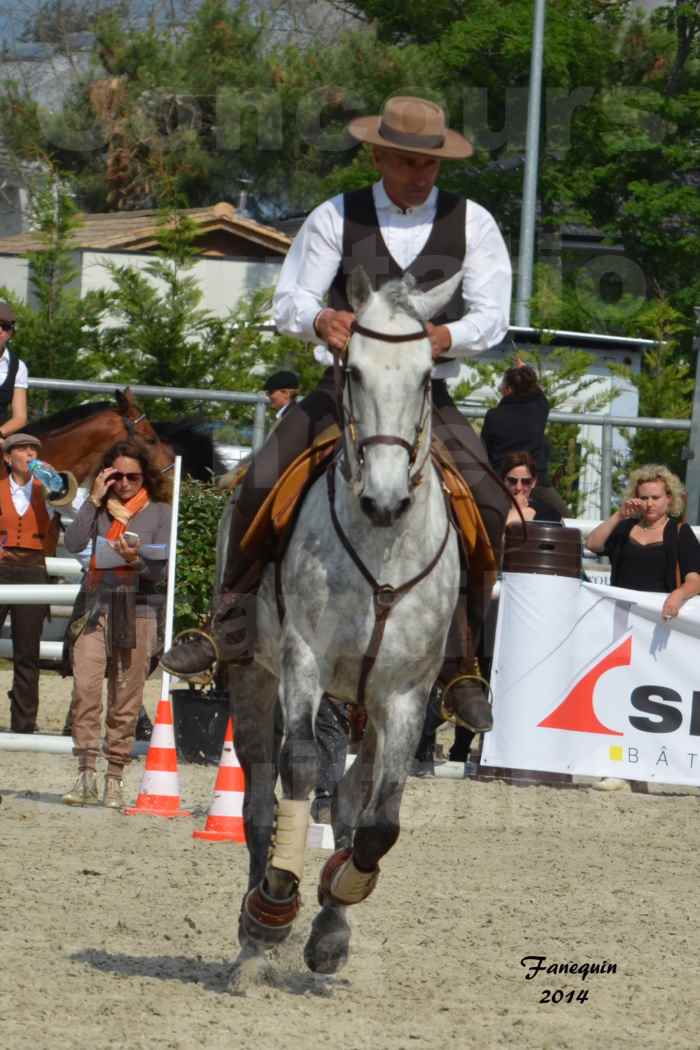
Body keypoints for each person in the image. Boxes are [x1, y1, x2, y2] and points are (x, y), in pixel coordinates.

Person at [162, 94, 512, 735]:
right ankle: (229, 621)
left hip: (423, 394)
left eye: (429, 164)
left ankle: (463, 660)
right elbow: (288, 300)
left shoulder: (474, 223)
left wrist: (445, 339)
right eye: (407, 162)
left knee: (489, 498)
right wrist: (320, 318)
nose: (420, 174)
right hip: (342, 389)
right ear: (378, 155)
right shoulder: (335, 215)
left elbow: (493, 316)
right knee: (263, 477)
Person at [62, 440, 171, 808]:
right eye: (117, 475)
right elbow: (74, 541)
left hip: (137, 606)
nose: (124, 482)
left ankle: (115, 777)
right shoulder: (98, 507)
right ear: (107, 474)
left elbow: (160, 571)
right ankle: (85, 773)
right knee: (85, 689)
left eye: (132, 476)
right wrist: (92, 500)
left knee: (126, 695)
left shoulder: (159, 512)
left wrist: (135, 560)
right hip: (95, 604)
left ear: (145, 477)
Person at [586, 464, 700, 792]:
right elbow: (593, 544)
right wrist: (618, 515)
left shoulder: (680, 533)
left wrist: (678, 595)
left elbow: (695, 577)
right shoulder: (623, 529)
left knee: (652, 697)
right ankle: (619, 766)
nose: (649, 503)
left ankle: (647, 767)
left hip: (660, 626)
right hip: (621, 623)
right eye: (643, 497)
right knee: (619, 689)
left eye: (656, 497)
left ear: (670, 499)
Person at [0, 433, 77, 732]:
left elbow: (73, 511)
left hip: (33, 568)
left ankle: (23, 724)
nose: (30, 453)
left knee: (27, 652)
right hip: (1, 566)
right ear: (8, 458)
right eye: (22, 449)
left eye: (34, 448)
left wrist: (58, 488)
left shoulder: (49, 489)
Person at [482, 362, 568, 517]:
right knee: (566, 519)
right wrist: (525, 368)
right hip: (537, 482)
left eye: (503, 385)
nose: (500, 388)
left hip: (503, 483)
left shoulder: (493, 416)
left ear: (508, 390)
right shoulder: (540, 409)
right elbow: (539, 392)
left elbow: (485, 449)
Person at [501, 451, 563, 527]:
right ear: (503, 481)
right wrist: (518, 511)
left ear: (533, 482)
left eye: (526, 481)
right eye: (512, 481)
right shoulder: (491, 511)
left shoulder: (548, 513)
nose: (518, 487)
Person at [0, 302, 29, 445]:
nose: (0, 330)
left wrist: (0, 432)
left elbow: (20, 418)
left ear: (11, 332)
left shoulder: (18, 367)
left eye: (5, 326)